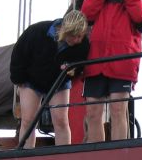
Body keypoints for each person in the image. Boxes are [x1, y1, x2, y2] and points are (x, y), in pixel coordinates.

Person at [80, 0, 142, 142]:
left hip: (122, 63)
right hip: (96, 62)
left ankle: (119, 152)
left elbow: (141, 20)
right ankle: (96, 152)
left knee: (118, 110)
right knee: (93, 112)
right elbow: (86, 16)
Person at [9, 10, 90, 148]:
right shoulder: (36, 31)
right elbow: (19, 53)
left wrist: (73, 71)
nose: (77, 40)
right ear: (64, 30)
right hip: (31, 80)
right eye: (73, 36)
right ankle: (26, 157)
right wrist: (18, 79)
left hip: (59, 82)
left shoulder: (82, 44)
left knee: (61, 120)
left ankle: (64, 157)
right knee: (28, 121)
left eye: (80, 36)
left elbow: (80, 65)